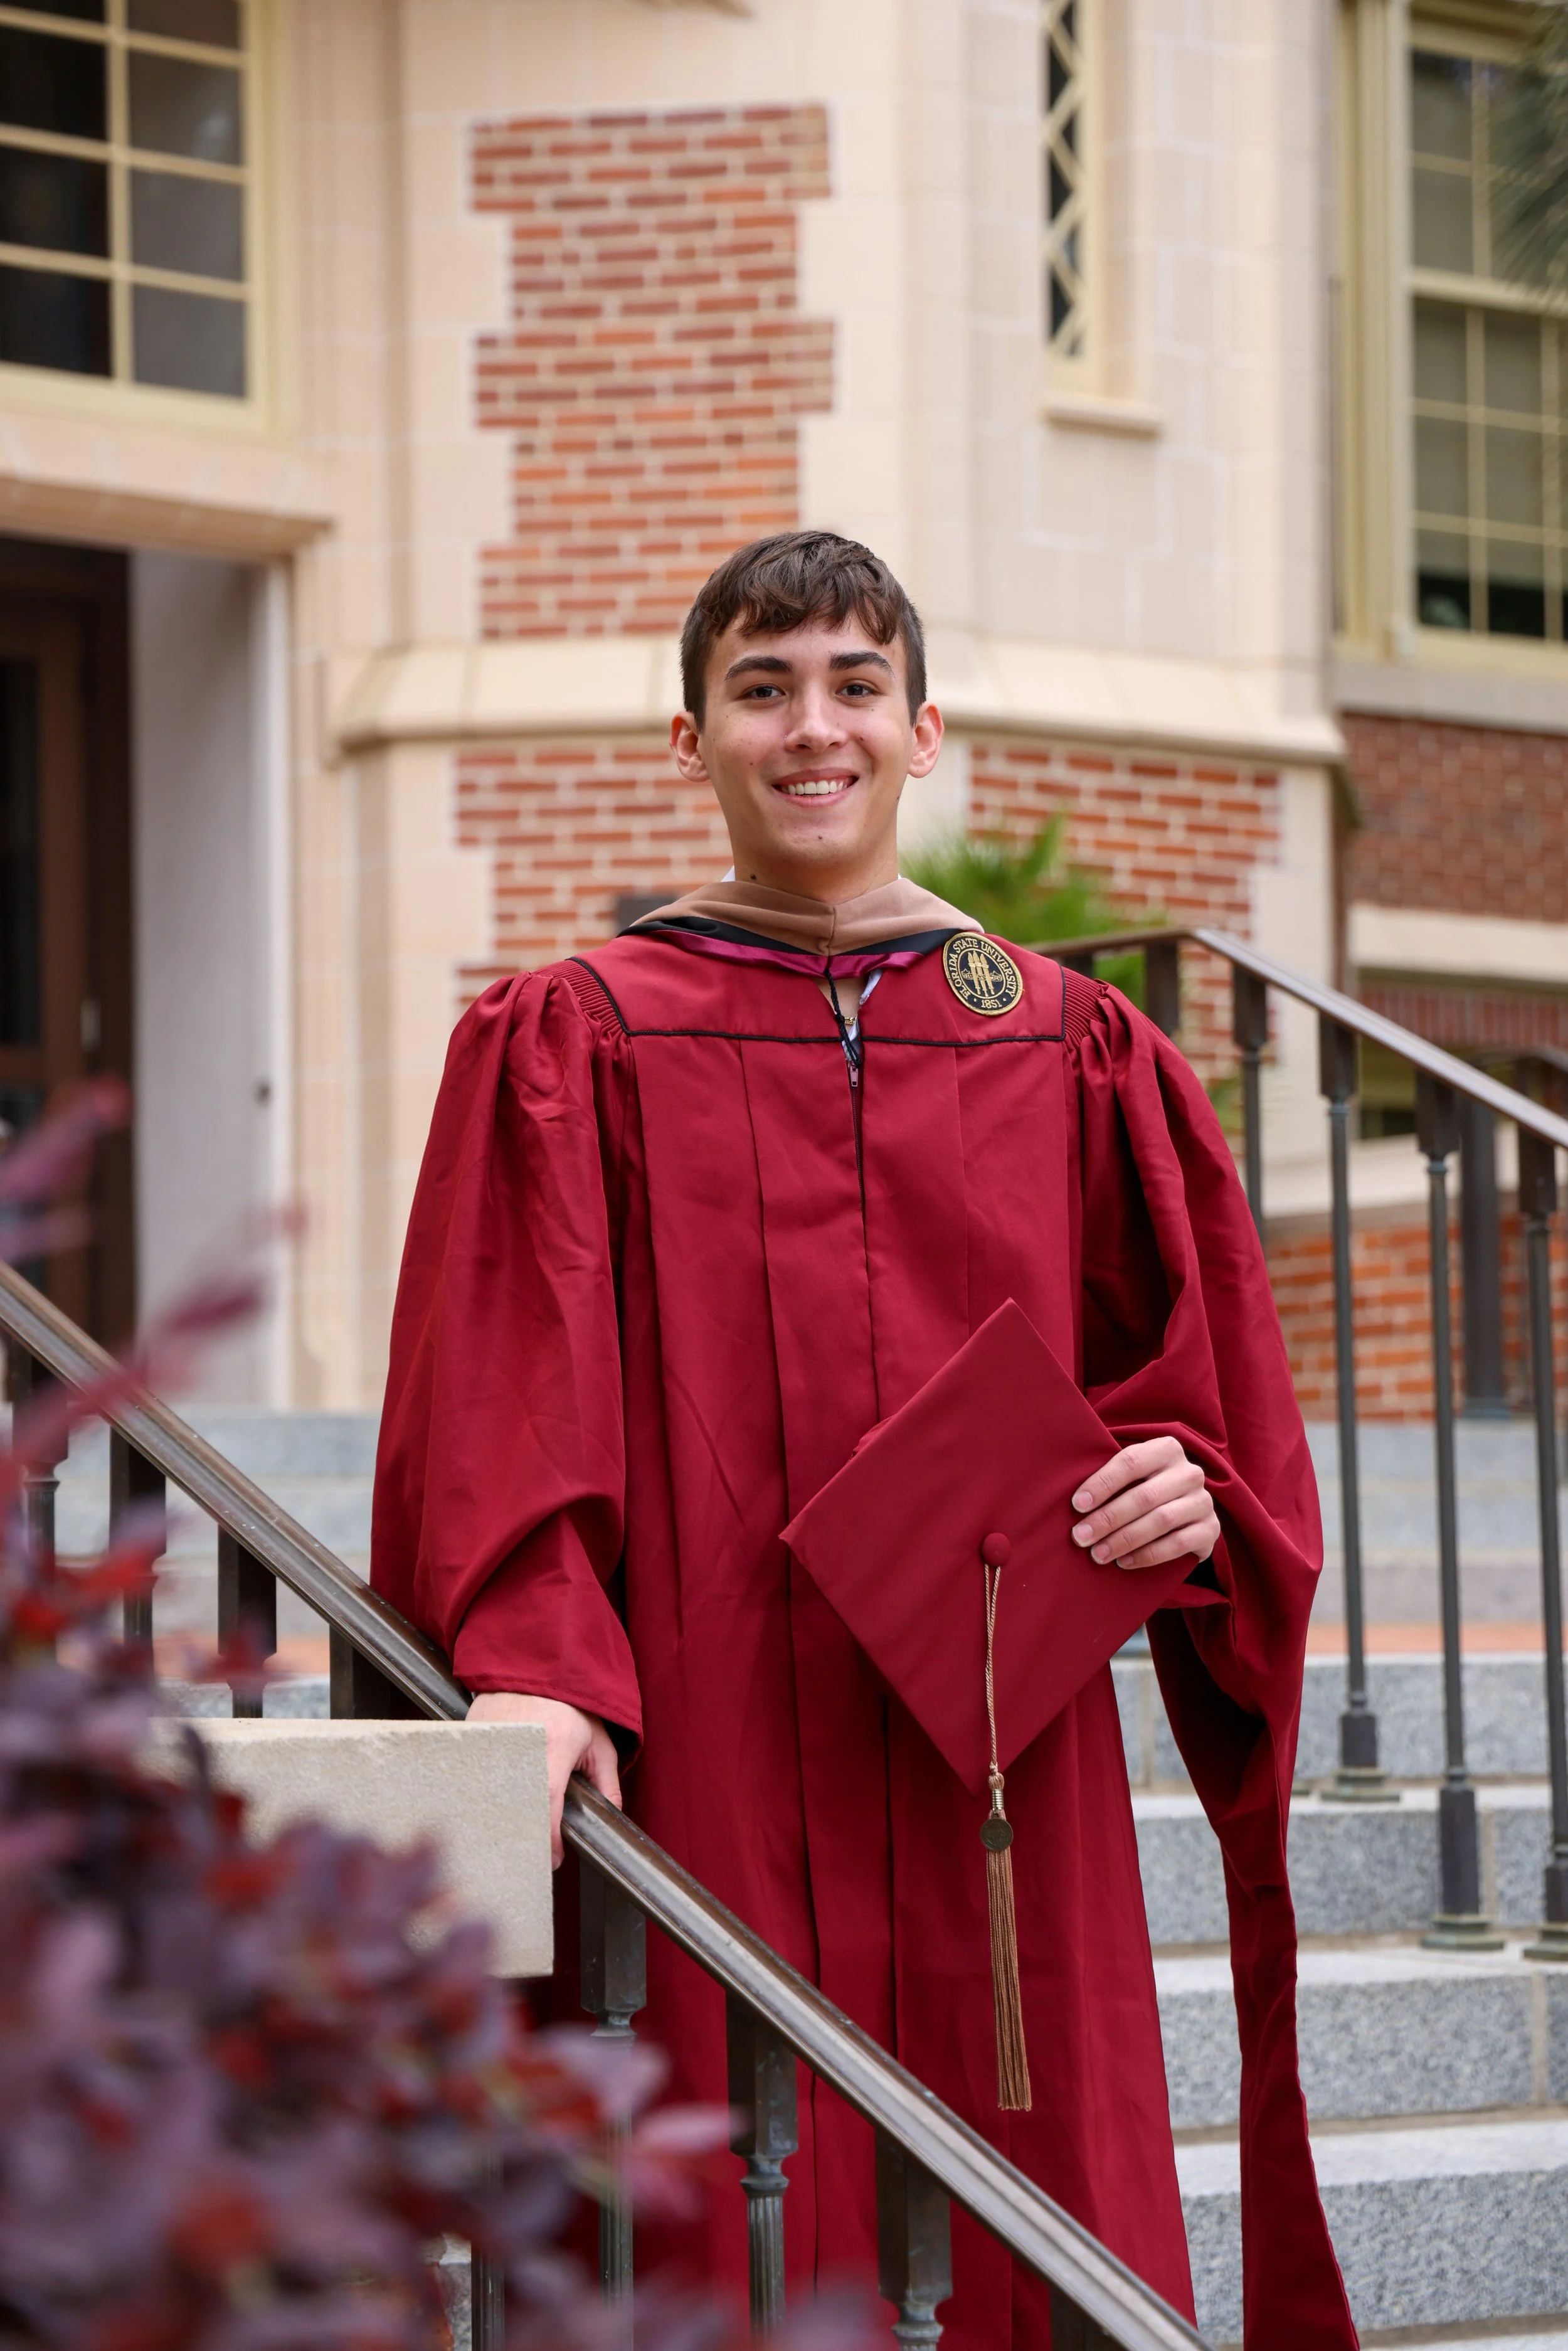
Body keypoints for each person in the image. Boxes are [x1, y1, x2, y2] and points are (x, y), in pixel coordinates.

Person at [371, 531, 1356, 2348]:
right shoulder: (574, 1037)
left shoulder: (1074, 1047)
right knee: (723, 2179)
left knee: (1020, 2163)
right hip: (711, 1728)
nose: (808, 726)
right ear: (690, 740)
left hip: (995, 1754)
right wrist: (530, 1655)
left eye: (849, 684)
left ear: (921, 729)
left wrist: (1183, 1491)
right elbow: (499, 1386)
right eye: (761, 688)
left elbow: (1199, 1400)